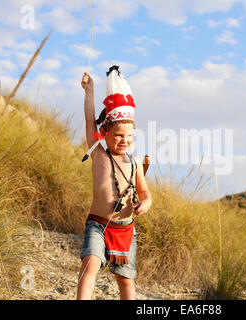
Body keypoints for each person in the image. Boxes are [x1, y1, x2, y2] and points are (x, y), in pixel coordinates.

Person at [76, 66, 152, 300]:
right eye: (118, 135)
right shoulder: (98, 153)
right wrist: (90, 91)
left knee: (126, 281)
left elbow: (145, 193)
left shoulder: (136, 162)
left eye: (129, 137)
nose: (124, 141)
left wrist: (145, 204)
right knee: (90, 264)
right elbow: (90, 120)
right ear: (105, 132)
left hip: (126, 229)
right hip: (98, 224)